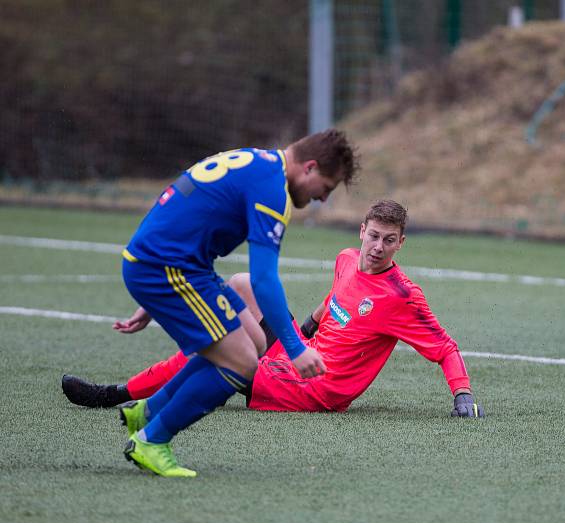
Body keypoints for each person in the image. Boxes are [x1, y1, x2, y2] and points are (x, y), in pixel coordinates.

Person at [63, 200, 484, 437]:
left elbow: (445, 347)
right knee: (242, 283)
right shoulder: (346, 260)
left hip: (313, 388)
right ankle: (147, 393)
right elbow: (333, 302)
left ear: (401, 243)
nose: (378, 247)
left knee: (219, 349)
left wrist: (462, 396)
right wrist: (300, 333)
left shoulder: (402, 296)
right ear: (361, 231)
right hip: (298, 356)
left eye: (389, 241)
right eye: (373, 236)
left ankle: (116, 394)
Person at [109, 129, 359, 477]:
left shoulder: (257, 161)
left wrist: (150, 277)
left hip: (174, 265)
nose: (321, 200)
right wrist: (295, 348)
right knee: (242, 363)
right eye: (326, 189)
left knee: (254, 343)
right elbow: (263, 280)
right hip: (170, 269)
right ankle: (152, 440)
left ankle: (149, 411)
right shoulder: (272, 191)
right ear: (310, 168)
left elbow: (179, 201)